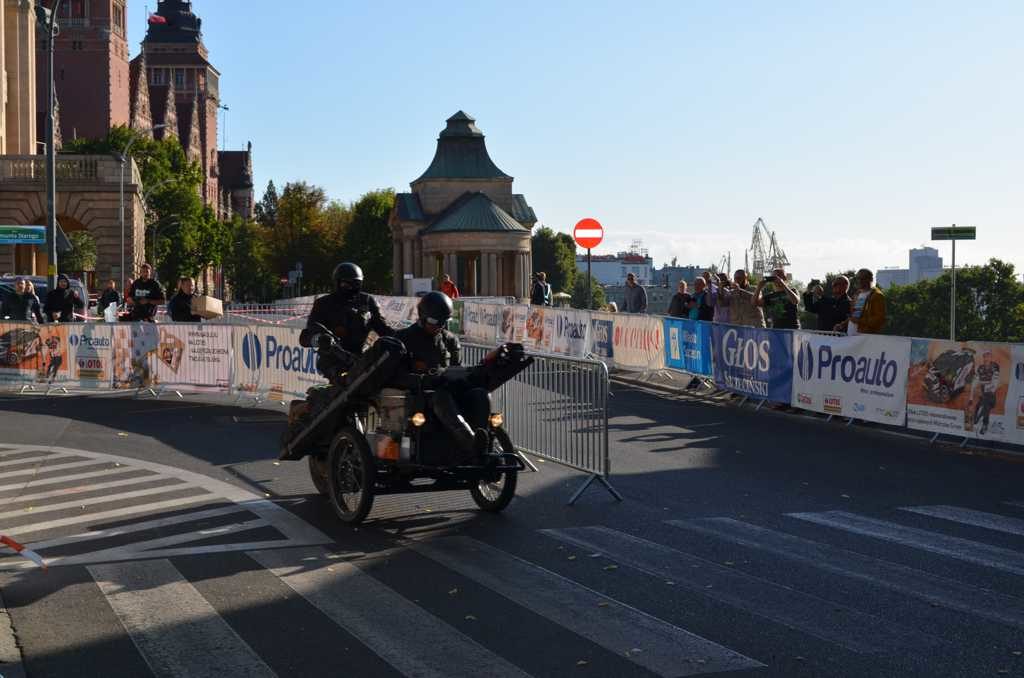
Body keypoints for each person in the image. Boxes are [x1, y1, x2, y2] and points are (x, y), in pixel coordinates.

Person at [396, 291, 489, 460]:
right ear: (422, 317)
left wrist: (472, 374)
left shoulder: (450, 340)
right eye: (433, 321)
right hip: (420, 397)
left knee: (480, 395)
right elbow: (397, 376)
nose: (438, 326)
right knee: (441, 397)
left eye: (443, 322)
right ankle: (471, 442)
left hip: (450, 391)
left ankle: (484, 439)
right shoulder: (404, 339)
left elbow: (457, 369)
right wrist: (424, 380)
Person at [299, 262, 393, 378]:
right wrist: (320, 340)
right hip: (333, 361)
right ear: (337, 283)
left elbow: (384, 329)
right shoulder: (323, 304)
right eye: (347, 284)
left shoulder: (368, 301)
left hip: (362, 359)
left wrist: (405, 337)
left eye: (356, 284)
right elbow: (305, 337)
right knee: (344, 385)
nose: (352, 288)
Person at [838, 268, 886, 335]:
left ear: (871, 279)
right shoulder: (857, 294)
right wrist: (842, 324)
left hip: (865, 338)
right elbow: (853, 316)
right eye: (858, 278)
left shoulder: (877, 296)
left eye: (863, 278)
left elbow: (879, 319)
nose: (860, 281)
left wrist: (859, 321)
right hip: (851, 336)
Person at [970, 350, 1000, 435]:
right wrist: (971, 398)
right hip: (983, 394)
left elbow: (995, 380)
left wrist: (990, 388)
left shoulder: (995, 366)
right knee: (977, 407)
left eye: (989, 355)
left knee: (986, 408)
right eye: (985, 355)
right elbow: (975, 381)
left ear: (991, 357)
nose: (987, 357)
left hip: (991, 394)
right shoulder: (980, 368)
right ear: (983, 357)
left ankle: (984, 425)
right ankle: (976, 420)